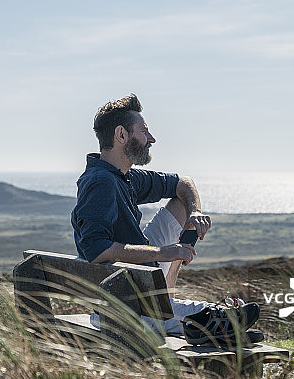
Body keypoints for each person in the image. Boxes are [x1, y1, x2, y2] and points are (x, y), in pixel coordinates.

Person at [71, 93, 260, 342]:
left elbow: (183, 182)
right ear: (121, 135)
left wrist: (194, 212)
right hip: (124, 308)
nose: (151, 139)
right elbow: (96, 251)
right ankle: (203, 323)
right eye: (144, 131)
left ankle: (174, 305)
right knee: (214, 314)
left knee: (182, 203)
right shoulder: (101, 183)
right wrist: (163, 252)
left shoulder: (123, 176)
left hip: (136, 285)